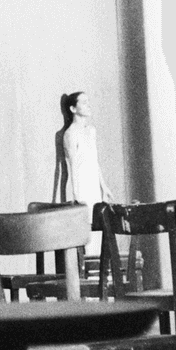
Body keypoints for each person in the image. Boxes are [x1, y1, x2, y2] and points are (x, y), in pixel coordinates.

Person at [51, 90, 113, 259]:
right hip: (82, 188)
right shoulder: (69, 134)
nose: (88, 105)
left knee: (100, 229)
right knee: (87, 232)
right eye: (83, 102)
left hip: (94, 187)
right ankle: (89, 276)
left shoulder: (91, 131)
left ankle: (100, 277)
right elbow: (70, 167)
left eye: (88, 101)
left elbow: (95, 161)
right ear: (73, 108)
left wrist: (104, 186)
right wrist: (76, 195)